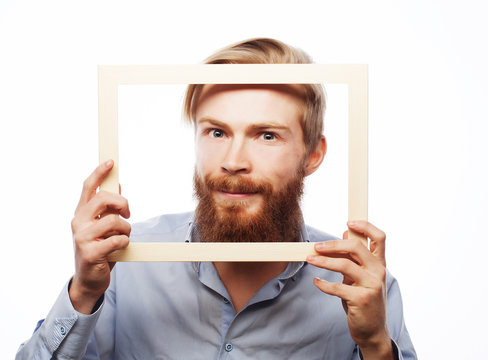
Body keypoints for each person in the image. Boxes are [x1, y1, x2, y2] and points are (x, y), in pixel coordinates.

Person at [16, 38, 416, 359]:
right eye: (217, 132)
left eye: (266, 135)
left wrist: (377, 347)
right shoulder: (122, 266)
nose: (233, 161)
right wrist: (83, 293)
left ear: (313, 154)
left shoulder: (363, 288)